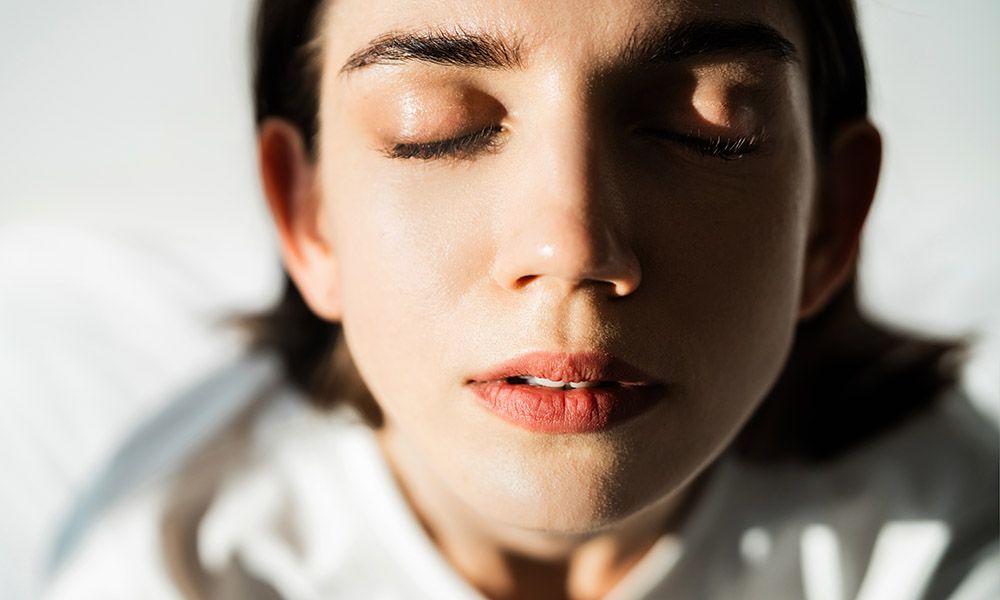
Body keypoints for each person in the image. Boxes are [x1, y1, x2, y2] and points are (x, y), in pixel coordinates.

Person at [44, 0, 998, 598]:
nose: (573, 246)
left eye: (706, 127)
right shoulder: (165, 567)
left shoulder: (945, 526)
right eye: (438, 131)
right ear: (308, 215)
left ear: (830, 221)